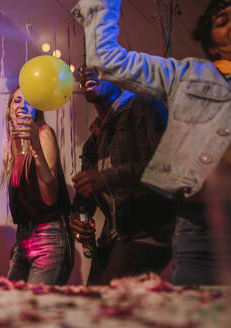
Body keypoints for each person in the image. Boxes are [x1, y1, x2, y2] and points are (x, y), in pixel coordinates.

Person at [73, 0, 231, 285]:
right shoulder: (191, 76)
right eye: (222, 20)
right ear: (212, 46)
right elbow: (106, 59)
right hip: (207, 235)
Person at [70, 66, 175, 285]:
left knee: (108, 306)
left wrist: (108, 178)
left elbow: (168, 170)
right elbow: (84, 199)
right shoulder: (93, 142)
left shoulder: (146, 106)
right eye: (84, 68)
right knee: (91, 305)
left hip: (147, 233)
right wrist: (78, 219)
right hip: (112, 239)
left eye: (97, 67)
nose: (88, 72)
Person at [1, 87, 72, 285]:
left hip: (49, 235)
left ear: (36, 110)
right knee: (12, 306)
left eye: (29, 101)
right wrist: (19, 244)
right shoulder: (12, 147)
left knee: (37, 308)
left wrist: (36, 147)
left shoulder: (43, 133)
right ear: (9, 109)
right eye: (17, 101)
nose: (22, 106)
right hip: (24, 237)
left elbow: (49, 196)